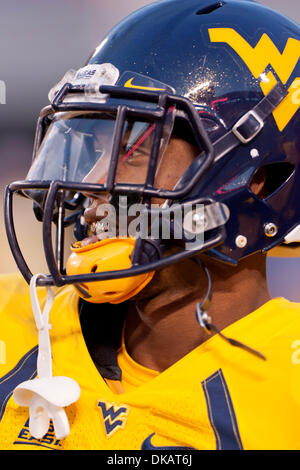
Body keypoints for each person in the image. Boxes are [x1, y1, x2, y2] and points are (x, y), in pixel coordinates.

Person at [1, 0, 300, 451]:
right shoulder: (12, 322)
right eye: (93, 145)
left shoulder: (287, 393)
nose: (93, 186)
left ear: (254, 179)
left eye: (135, 147)